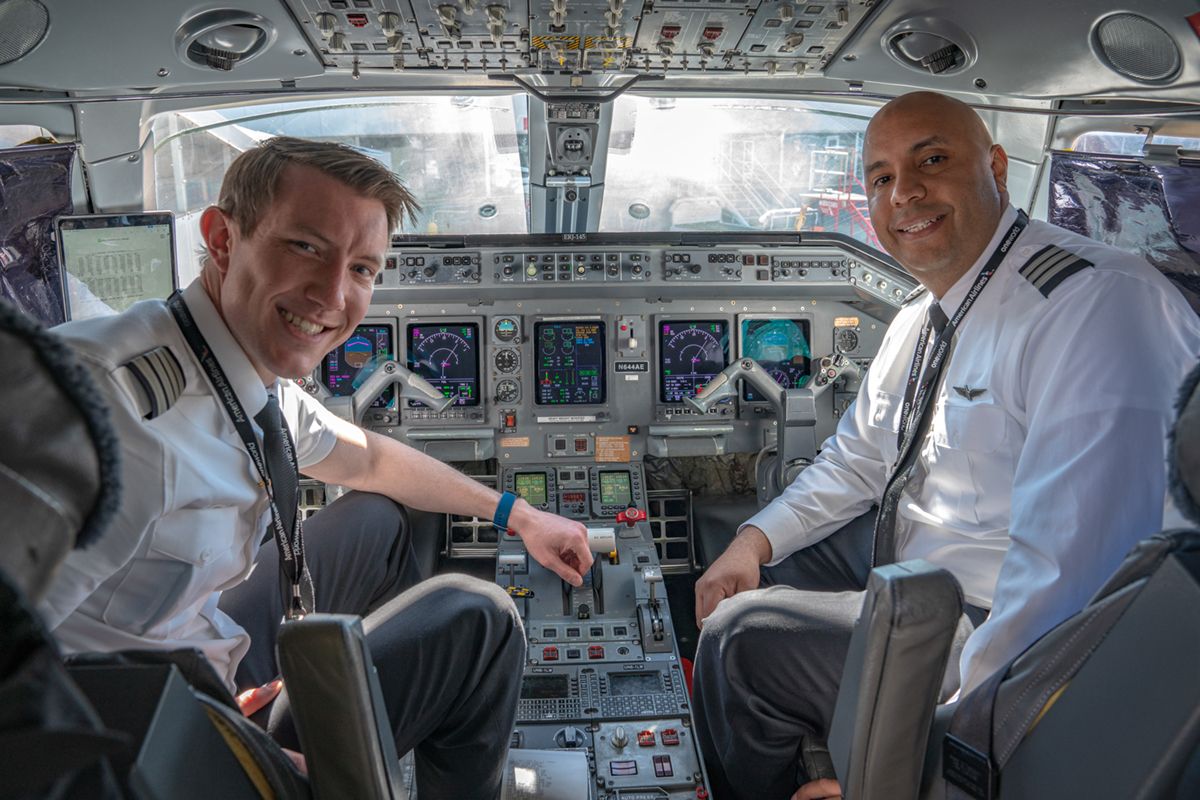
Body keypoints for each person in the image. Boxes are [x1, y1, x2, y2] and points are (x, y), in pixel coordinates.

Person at [38, 137, 594, 799]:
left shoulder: (236, 370)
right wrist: (230, 747)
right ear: (222, 238)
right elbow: (26, 693)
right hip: (149, 741)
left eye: (362, 268)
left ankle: (353, 716)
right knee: (480, 619)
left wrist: (518, 514)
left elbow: (367, 457)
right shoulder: (97, 405)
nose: (333, 295)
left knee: (376, 518)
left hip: (191, 653)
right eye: (306, 246)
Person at [691, 91, 1200, 800]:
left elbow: (1069, 588)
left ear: (996, 166)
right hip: (917, 579)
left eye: (932, 159)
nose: (905, 193)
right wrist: (751, 542)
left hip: (989, 627)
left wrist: (937, 755)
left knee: (738, 640)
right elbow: (859, 460)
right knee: (754, 564)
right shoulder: (926, 312)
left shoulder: (1095, 309)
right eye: (881, 177)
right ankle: (813, 760)